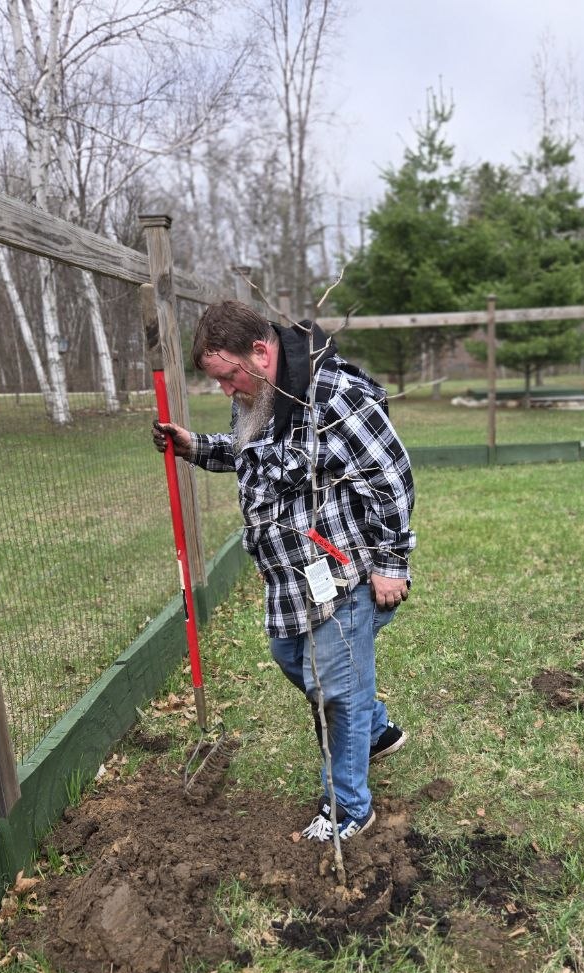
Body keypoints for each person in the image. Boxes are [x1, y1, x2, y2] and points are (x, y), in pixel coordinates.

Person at [152, 300, 415, 842]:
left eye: (228, 377)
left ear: (261, 351)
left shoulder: (335, 398)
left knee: (336, 690)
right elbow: (254, 455)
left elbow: (392, 479)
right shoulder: (259, 394)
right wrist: (197, 447)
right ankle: (375, 729)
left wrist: (391, 566)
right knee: (290, 657)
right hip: (292, 582)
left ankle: (349, 809)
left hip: (343, 574)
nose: (226, 391)